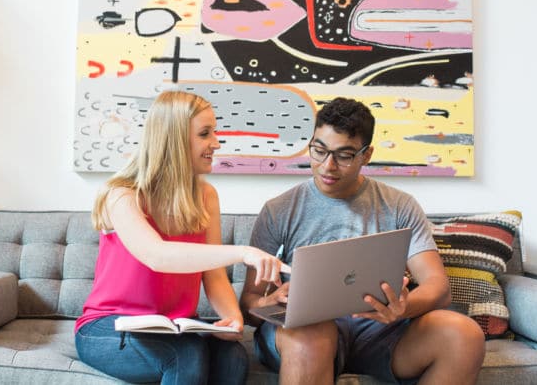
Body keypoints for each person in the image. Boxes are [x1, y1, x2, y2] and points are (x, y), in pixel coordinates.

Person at [240, 97, 485, 384]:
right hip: (304, 334)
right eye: (319, 150)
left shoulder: (399, 205)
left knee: (463, 334)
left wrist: (402, 308)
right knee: (311, 334)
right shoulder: (279, 209)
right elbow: (249, 304)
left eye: (344, 155)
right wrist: (269, 300)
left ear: (366, 156)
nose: (327, 166)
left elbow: (438, 288)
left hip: (379, 331)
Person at [75, 90, 286, 385]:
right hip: (107, 327)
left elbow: (213, 276)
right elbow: (157, 255)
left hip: (172, 327)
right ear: (173, 139)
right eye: (205, 133)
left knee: (232, 355)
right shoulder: (122, 195)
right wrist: (243, 252)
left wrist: (232, 318)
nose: (216, 142)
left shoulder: (206, 196)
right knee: (183, 355)